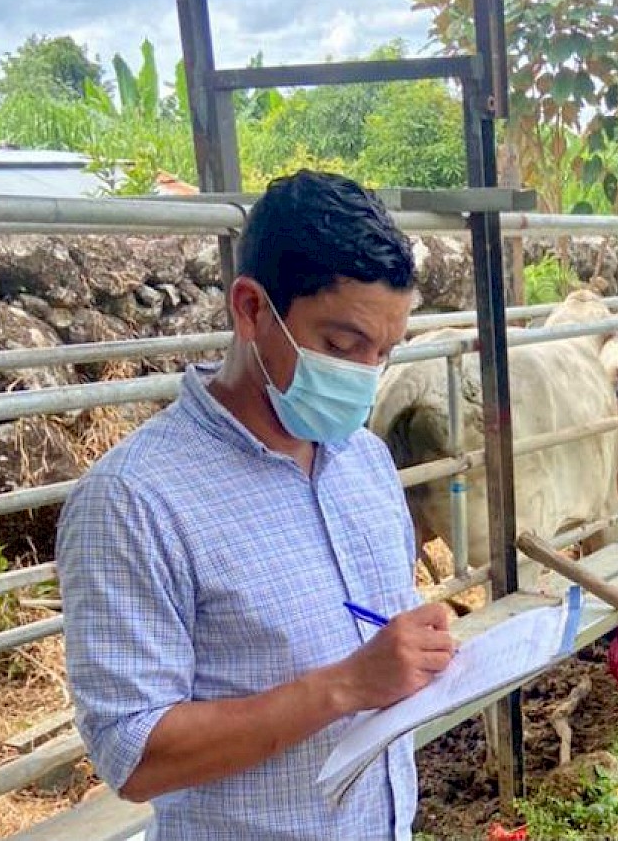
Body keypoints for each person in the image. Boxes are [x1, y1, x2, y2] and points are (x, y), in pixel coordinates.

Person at [56, 170, 456, 840]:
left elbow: (378, 646)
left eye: (383, 353)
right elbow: (135, 753)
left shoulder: (364, 460)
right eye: (340, 346)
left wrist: (416, 656)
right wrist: (344, 687)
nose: (363, 376)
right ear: (250, 309)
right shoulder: (135, 502)